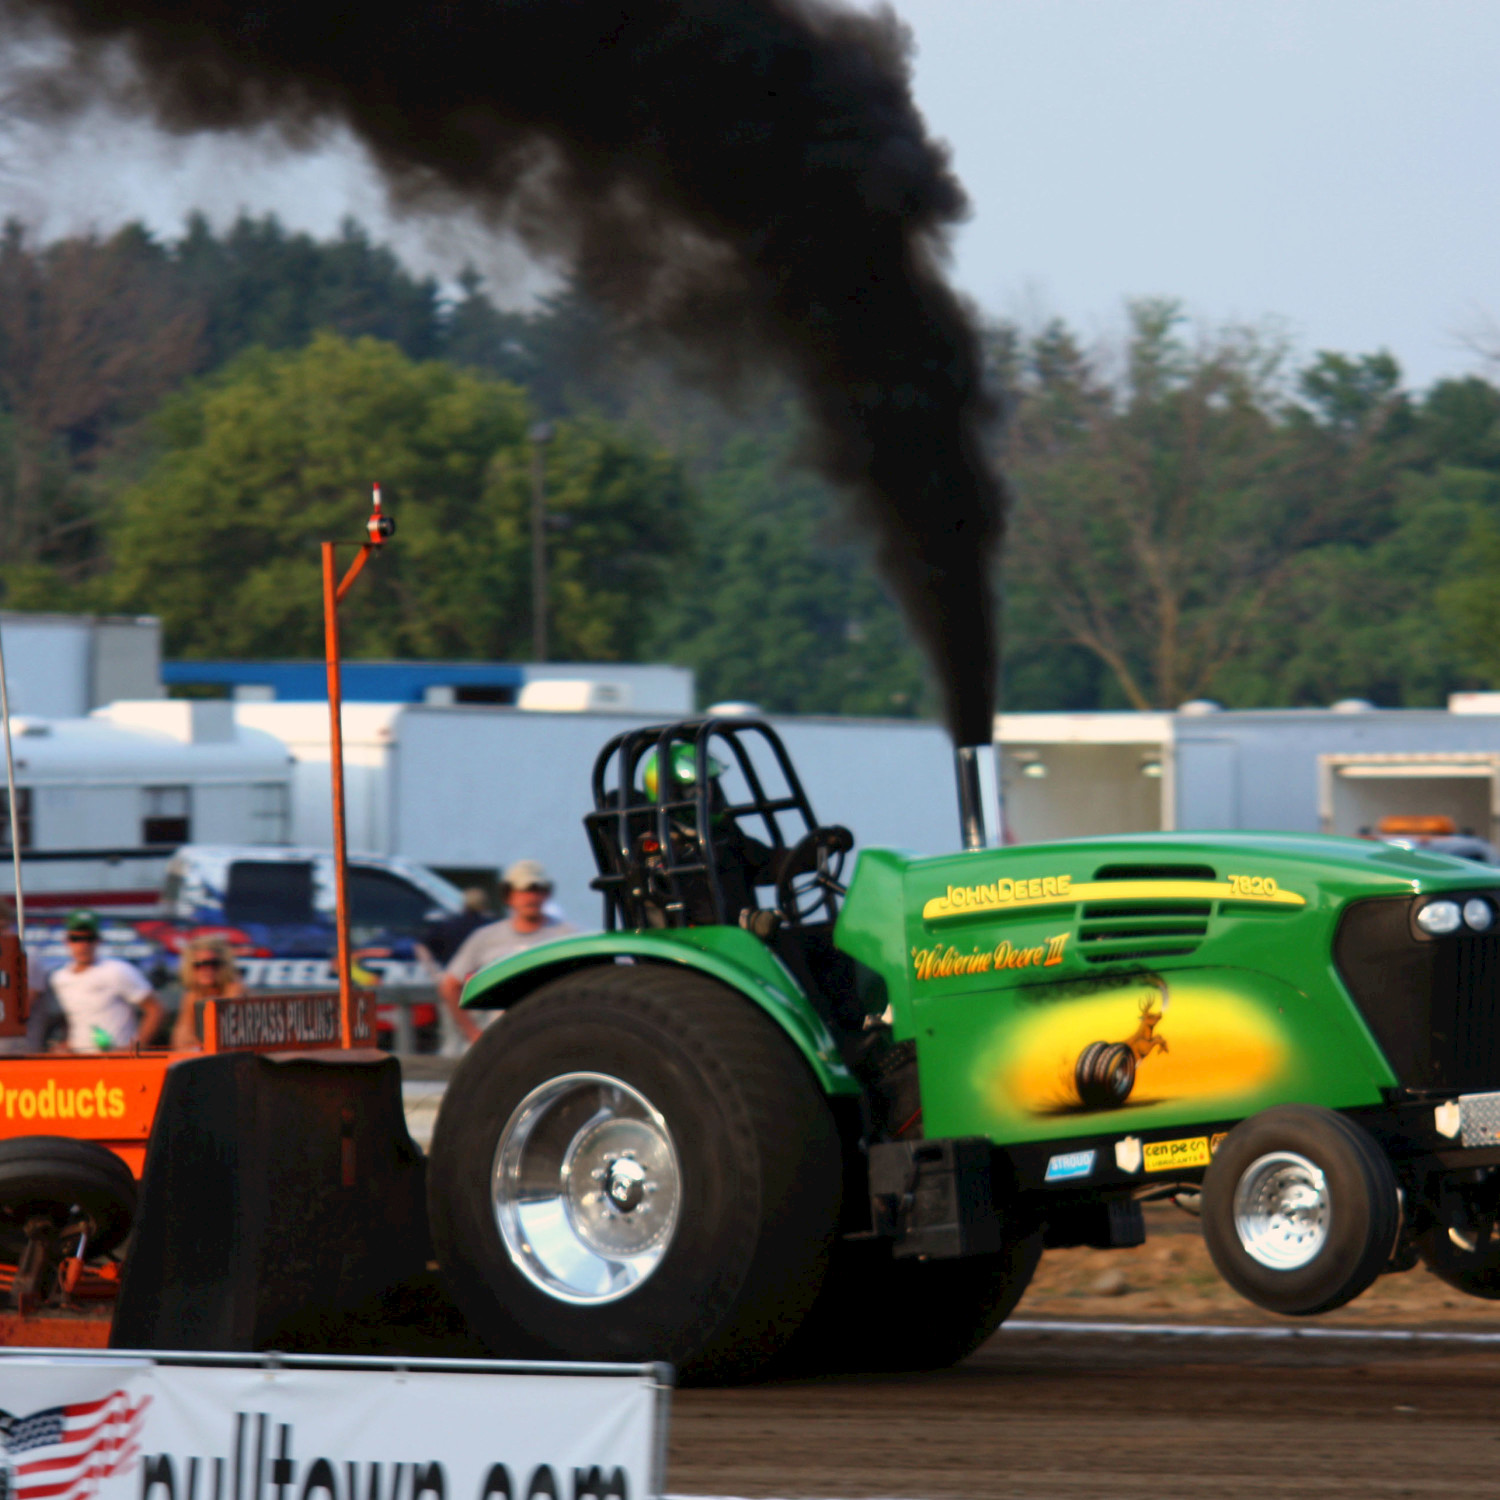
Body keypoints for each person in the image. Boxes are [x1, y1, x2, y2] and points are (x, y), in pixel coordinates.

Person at [439, 861, 575, 1044]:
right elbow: (450, 985)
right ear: (508, 895)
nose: (531, 897)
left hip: (551, 1039)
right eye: (523, 890)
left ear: (547, 894)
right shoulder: (485, 937)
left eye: (538, 890)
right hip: (502, 1042)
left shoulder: (567, 937)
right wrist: (473, 1033)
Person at [49, 909, 165, 1053]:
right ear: (67, 941)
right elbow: (72, 1017)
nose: (83, 945)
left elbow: (155, 1009)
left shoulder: (118, 970)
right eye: (76, 939)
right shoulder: (60, 978)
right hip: (80, 1058)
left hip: (116, 1059)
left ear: (98, 940)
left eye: (89, 939)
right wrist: (66, 1044)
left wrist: (136, 1048)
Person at [169, 934, 245, 1051]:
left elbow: (229, 1035)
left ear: (224, 965)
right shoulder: (192, 995)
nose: (206, 970)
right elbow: (181, 1038)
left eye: (213, 964)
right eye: (199, 965)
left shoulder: (235, 990)